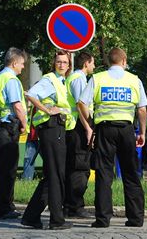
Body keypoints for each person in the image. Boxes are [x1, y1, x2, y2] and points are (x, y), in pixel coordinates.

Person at [78, 47, 147, 228]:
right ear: (124, 61)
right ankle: (136, 218)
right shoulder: (134, 80)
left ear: (109, 61)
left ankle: (102, 219)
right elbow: (141, 109)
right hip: (126, 130)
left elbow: (81, 103)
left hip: (104, 130)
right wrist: (142, 132)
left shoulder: (98, 78)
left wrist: (91, 123)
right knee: (130, 173)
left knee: (104, 174)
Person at [22, 50, 75, 230]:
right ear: (54, 63)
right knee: (56, 175)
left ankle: (30, 216)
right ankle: (56, 220)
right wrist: (46, 110)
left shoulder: (61, 81)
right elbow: (30, 94)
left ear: (69, 65)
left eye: (64, 62)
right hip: (51, 128)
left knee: (52, 175)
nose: (61, 65)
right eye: (59, 62)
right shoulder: (49, 79)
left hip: (56, 129)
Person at [0, 47, 28, 219]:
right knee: (8, 170)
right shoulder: (11, 80)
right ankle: (5, 208)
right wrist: (24, 124)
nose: (23, 67)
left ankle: (2, 206)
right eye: (22, 64)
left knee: (2, 171)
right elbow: (17, 106)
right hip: (7, 129)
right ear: (15, 62)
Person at [63, 52, 95, 219]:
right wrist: (88, 128)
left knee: (73, 167)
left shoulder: (76, 78)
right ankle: (75, 206)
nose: (94, 67)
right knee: (80, 167)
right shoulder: (78, 79)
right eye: (92, 63)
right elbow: (80, 105)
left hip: (73, 127)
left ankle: (69, 205)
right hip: (77, 128)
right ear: (86, 64)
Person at [22, 105, 39, 180]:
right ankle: (26, 180)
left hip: (41, 135)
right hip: (32, 136)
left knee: (49, 160)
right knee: (28, 159)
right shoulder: (33, 102)